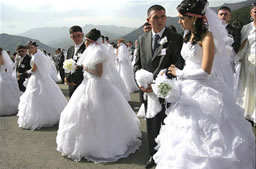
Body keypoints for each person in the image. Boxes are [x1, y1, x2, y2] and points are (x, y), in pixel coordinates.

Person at [153, 1, 255, 169]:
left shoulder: (207, 37)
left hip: (205, 88)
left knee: (209, 135)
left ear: (193, 18)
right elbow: (189, 62)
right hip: (187, 89)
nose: (179, 22)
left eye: (182, 18)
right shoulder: (188, 35)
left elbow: (206, 71)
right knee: (183, 133)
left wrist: (180, 73)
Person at [56, 28, 141, 162]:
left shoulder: (99, 51)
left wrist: (84, 67)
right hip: (87, 83)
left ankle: (98, 143)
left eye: (86, 41)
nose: (85, 43)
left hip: (96, 84)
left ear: (90, 41)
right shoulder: (92, 50)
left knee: (98, 113)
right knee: (83, 112)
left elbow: (99, 73)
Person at [133, 5, 185, 169]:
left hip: (166, 90)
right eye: (155, 17)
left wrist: (158, 84)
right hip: (147, 92)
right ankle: (153, 157)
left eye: (162, 16)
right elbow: (137, 65)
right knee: (151, 125)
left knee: (167, 125)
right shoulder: (142, 39)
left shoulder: (176, 38)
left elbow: (178, 63)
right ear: (148, 19)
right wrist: (141, 83)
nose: (160, 20)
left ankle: (168, 158)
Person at [17, 41, 67, 130]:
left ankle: (40, 117)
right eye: (29, 48)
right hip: (41, 77)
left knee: (36, 95)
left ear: (36, 47)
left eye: (32, 48)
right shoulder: (38, 55)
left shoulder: (36, 56)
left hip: (37, 77)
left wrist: (26, 72)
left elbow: (34, 69)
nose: (30, 50)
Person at [236, 2, 256, 126]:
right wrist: (237, 59)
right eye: (255, 12)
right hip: (248, 61)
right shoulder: (246, 28)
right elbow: (243, 45)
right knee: (248, 87)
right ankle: (248, 112)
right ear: (251, 13)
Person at [65, 25, 86, 97]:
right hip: (71, 84)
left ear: (82, 35)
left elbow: (84, 66)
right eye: (73, 36)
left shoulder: (87, 48)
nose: (76, 38)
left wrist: (73, 80)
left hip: (82, 83)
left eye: (78, 36)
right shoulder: (70, 49)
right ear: (71, 37)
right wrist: (67, 78)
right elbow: (66, 66)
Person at [0, 48, 20, 116]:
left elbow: (2, 65)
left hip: (3, 75)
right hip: (4, 75)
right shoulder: (2, 57)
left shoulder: (1, 58)